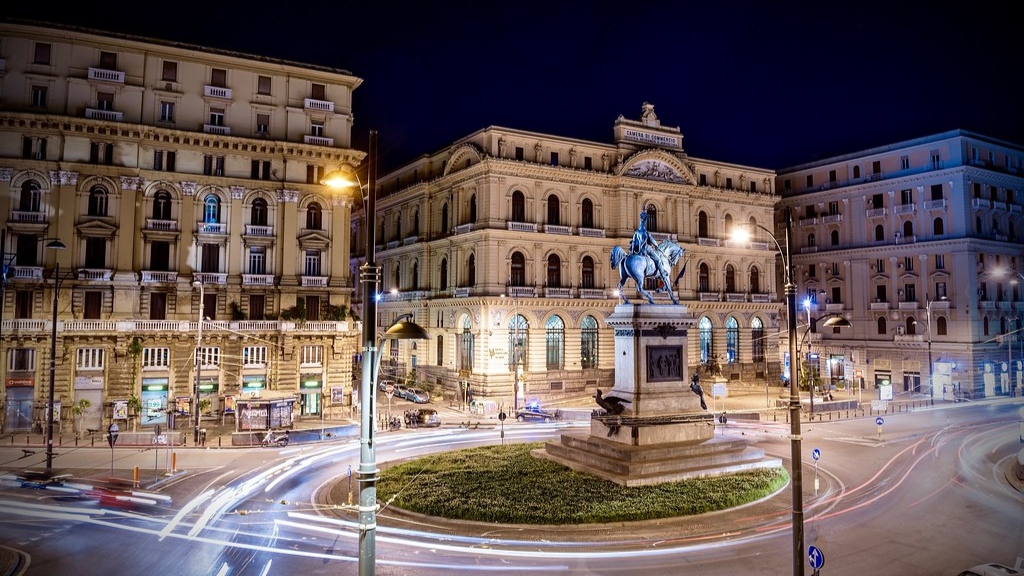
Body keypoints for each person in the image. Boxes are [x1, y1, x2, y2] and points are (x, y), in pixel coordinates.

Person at [630, 210, 668, 287]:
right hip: (646, 249)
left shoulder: (636, 232)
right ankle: (663, 273)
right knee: (658, 260)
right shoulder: (646, 232)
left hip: (637, 251)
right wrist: (657, 246)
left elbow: (633, 243)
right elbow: (653, 241)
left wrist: (632, 251)